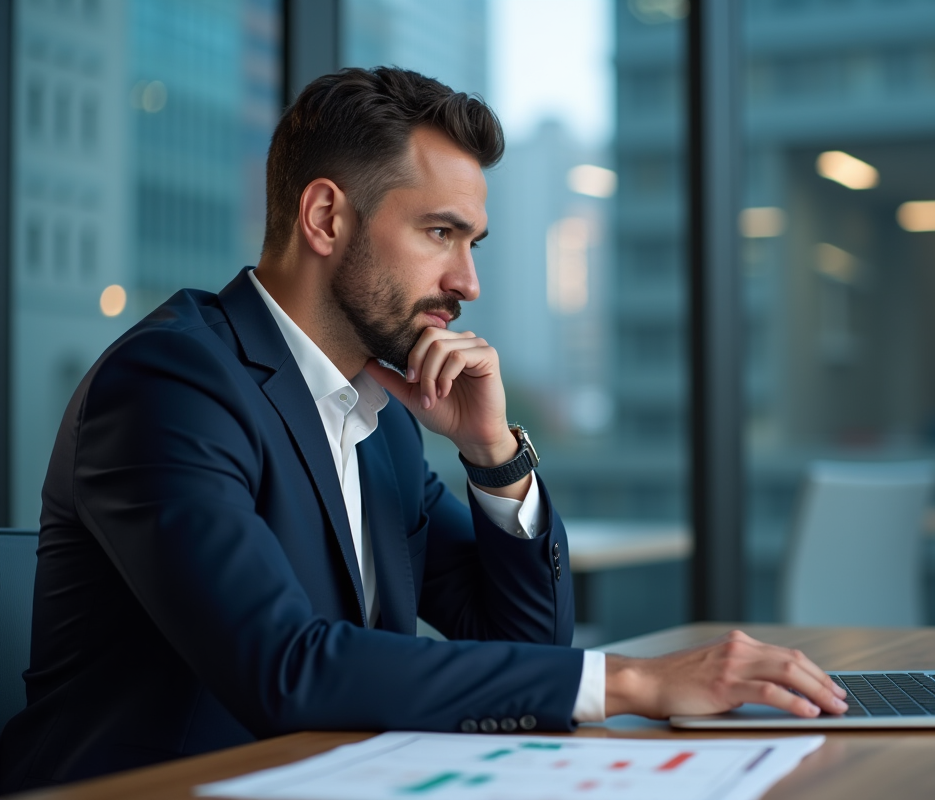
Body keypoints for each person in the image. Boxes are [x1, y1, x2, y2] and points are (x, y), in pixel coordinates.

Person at [0, 67, 846, 791]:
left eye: (472, 241)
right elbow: (285, 669)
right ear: (326, 218)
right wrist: (629, 680)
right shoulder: (172, 384)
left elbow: (525, 647)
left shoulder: (381, 416)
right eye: (440, 233)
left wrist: (492, 456)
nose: (468, 281)